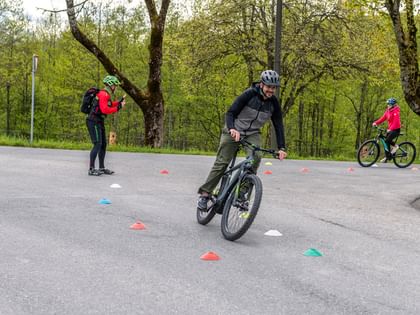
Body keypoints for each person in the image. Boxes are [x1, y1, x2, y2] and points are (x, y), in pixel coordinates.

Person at [197, 70, 287, 211]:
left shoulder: (273, 103)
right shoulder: (249, 94)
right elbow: (230, 113)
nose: (271, 90)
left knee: (256, 157)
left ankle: (241, 195)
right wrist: (232, 128)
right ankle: (205, 194)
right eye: (269, 87)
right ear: (262, 84)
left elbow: (278, 125)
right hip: (234, 129)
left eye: (273, 88)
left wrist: (282, 147)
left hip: (252, 133)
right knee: (222, 162)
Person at [86, 75, 125, 176]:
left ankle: (102, 167)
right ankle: (91, 169)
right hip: (93, 121)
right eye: (115, 86)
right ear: (111, 85)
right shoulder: (104, 94)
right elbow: (105, 110)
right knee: (97, 144)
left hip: (99, 120)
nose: (116, 88)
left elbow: (110, 104)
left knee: (103, 145)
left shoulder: (105, 94)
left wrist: (119, 102)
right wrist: (119, 107)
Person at [372, 97, 401, 163]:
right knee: (386, 142)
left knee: (387, 140)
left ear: (393, 105)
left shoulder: (396, 111)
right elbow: (383, 118)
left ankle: (396, 146)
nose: (388, 105)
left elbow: (396, 122)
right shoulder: (388, 110)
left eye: (389, 104)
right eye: (388, 104)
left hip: (396, 129)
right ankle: (387, 157)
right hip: (390, 129)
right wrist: (376, 122)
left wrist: (390, 129)